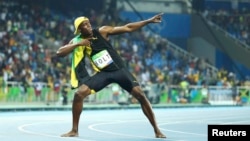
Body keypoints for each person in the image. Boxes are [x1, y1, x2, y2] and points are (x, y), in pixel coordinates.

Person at [56, 13, 166, 138]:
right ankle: (74, 130)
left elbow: (128, 28)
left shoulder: (102, 31)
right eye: (84, 25)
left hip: (119, 70)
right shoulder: (77, 41)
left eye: (88, 23)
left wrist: (148, 21)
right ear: (79, 30)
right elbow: (59, 53)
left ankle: (157, 130)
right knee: (78, 94)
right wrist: (78, 44)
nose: (88, 25)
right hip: (104, 74)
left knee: (140, 95)